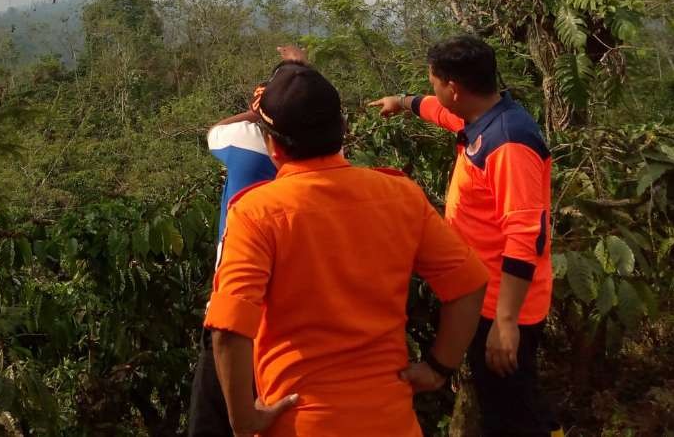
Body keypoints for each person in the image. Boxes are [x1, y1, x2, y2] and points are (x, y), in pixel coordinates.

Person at [206, 60, 489, 436]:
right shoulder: (399, 194)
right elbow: (469, 285)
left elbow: (228, 329)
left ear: (273, 146)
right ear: (343, 130)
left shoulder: (258, 212)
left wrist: (245, 421)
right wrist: (439, 366)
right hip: (391, 421)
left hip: (300, 422)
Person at [370, 34, 563, 437]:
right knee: (503, 400)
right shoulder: (481, 117)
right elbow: (438, 112)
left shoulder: (508, 142)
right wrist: (402, 102)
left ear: (454, 88)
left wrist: (506, 322)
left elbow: (528, 234)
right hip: (484, 291)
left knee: (513, 410)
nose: (434, 91)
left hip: (504, 303)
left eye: (435, 82)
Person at [188, 46, 305, 437]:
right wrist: (298, 78)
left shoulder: (243, 142)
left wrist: (255, 113)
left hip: (236, 310)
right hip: (298, 320)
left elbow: (213, 132)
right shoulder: (331, 155)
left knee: (213, 420)